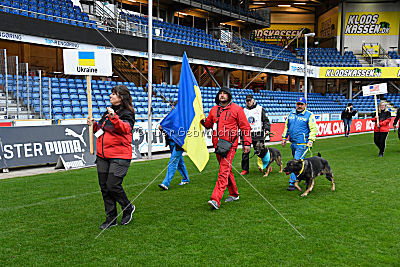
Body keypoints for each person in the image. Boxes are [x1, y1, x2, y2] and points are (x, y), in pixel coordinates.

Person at [87, 85, 136, 230]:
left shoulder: (127, 113)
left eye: (114, 94)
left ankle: (127, 207)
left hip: (120, 156)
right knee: (104, 188)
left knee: (112, 185)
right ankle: (111, 218)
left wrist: (114, 118)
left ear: (121, 97)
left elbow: (125, 129)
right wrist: (94, 125)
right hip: (103, 156)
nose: (110, 96)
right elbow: (102, 130)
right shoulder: (107, 112)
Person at [201, 87, 252, 210]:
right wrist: (201, 118)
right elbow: (208, 124)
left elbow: (245, 127)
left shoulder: (237, 109)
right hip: (218, 145)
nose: (222, 95)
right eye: (220, 93)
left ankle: (215, 199)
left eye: (225, 93)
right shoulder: (214, 110)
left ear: (229, 96)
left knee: (223, 171)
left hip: (230, 145)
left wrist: (247, 143)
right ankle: (234, 194)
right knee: (227, 170)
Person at [281, 97, 317, 191]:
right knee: (300, 163)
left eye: (302, 104)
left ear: (305, 105)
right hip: (292, 143)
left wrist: (311, 140)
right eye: (298, 104)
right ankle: (306, 177)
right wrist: (284, 137)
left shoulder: (309, 115)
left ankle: (292, 183)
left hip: (302, 143)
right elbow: (286, 127)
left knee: (295, 162)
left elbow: (313, 129)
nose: (300, 106)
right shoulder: (291, 114)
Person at [241, 94, 270, 175]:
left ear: (253, 100)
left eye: (250, 100)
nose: (249, 102)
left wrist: (267, 129)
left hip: (258, 134)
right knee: (245, 152)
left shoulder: (260, 109)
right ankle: (245, 169)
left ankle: (266, 166)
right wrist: (241, 136)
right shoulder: (243, 111)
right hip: (247, 134)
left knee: (261, 152)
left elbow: (266, 120)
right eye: (247, 101)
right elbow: (241, 124)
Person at [158, 124, 190, 190]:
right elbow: (167, 128)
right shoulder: (172, 117)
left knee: (172, 162)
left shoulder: (182, 119)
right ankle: (186, 179)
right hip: (171, 142)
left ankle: (165, 183)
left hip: (179, 144)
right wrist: (162, 128)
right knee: (179, 163)